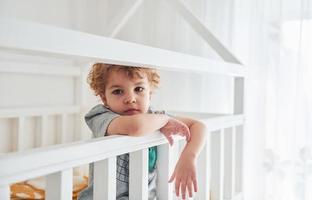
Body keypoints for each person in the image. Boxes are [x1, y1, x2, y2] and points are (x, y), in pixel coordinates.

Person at [78, 63, 206, 200]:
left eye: (138, 89)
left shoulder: (156, 117)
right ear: (104, 98)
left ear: (149, 94)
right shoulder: (100, 116)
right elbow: (136, 127)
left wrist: (189, 157)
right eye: (118, 91)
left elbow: (198, 125)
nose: (130, 99)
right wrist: (165, 120)